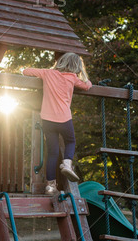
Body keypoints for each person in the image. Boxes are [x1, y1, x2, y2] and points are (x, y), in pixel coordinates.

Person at [23, 52, 92, 195]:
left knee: (52, 153)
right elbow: (87, 86)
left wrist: (26, 70)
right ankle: (67, 164)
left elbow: (26, 71)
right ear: (76, 67)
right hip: (65, 119)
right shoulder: (73, 78)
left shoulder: (47, 73)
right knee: (70, 141)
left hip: (47, 120)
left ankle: (50, 186)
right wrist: (86, 79)